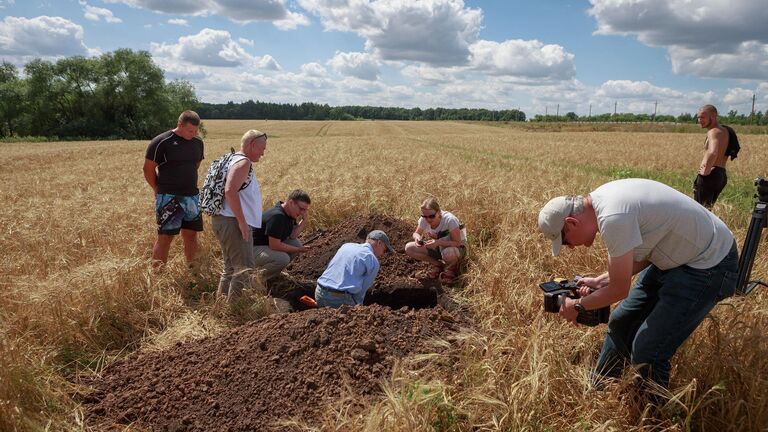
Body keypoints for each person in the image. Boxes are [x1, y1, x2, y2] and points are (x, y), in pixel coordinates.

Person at [538, 178, 738, 389]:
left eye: (565, 241)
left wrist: (576, 306)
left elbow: (619, 289)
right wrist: (602, 280)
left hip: (709, 262)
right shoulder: (603, 199)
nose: (569, 248)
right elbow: (647, 246)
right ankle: (600, 389)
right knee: (622, 320)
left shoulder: (613, 218)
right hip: (679, 255)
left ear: (572, 223)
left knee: (648, 351)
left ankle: (653, 419)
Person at [211, 130, 267, 303]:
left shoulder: (230, 158)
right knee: (244, 269)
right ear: (251, 145)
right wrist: (242, 223)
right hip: (233, 222)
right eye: (262, 148)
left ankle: (222, 308)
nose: (263, 152)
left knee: (230, 268)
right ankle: (234, 310)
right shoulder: (243, 162)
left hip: (222, 220)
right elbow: (230, 191)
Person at [143, 110, 204, 268]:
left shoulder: (198, 142)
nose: (193, 134)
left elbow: (196, 164)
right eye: (190, 130)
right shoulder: (161, 142)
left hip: (192, 197)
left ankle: (193, 271)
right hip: (169, 197)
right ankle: (158, 278)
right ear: (179, 125)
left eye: (196, 131)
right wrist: (157, 188)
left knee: (191, 236)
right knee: (165, 238)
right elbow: (148, 169)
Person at [314, 230, 394, 308]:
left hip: (319, 293)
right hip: (339, 300)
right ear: (379, 243)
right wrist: (358, 308)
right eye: (385, 249)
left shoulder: (346, 246)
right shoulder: (372, 260)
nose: (383, 253)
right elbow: (361, 292)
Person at [253, 189, 312, 281]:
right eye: (301, 209)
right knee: (282, 259)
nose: (302, 213)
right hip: (253, 249)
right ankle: (256, 280)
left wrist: (304, 221)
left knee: (295, 244)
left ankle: (273, 274)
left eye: (305, 210)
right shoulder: (277, 216)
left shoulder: (290, 213)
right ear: (291, 202)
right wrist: (298, 250)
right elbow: (275, 245)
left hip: (266, 244)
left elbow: (292, 236)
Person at [404, 197, 466, 282]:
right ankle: (438, 265)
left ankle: (451, 269)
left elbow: (458, 243)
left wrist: (438, 242)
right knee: (409, 248)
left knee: (449, 253)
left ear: (439, 212)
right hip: (439, 247)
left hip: (456, 249)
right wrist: (417, 238)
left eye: (432, 216)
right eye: (424, 216)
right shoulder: (424, 220)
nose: (428, 219)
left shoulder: (450, 220)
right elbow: (416, 233)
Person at [694, 104, 736, 208]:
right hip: (721, 175)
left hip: (710, 175)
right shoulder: (725, 130)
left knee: (700, 211)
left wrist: (706, 171)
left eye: (702, 117)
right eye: (698, 117)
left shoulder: (713, 131)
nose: (699, 120)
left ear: (713, 116)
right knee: (707, 210)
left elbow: (713, 152)